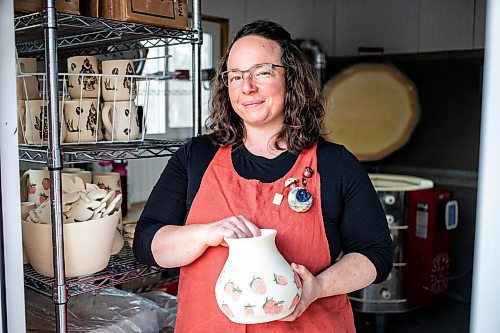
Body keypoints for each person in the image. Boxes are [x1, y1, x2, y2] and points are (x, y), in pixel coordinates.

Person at [133, 20, 392, 332]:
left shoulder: (335, 164)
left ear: (291, 78)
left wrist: (317, 288)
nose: (247, 87)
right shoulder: (196, 157)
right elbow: (147, 244)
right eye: (236, 76)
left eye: (262, 72)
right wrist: (206, 233)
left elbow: (375, 255)